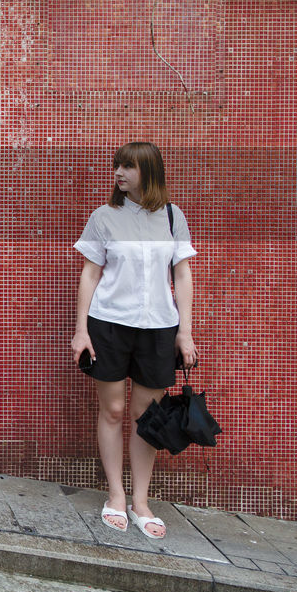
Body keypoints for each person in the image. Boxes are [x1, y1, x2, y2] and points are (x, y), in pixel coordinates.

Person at [71, 141, 197, 540]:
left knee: (147, 419)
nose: (119, 174)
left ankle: (141, 502)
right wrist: (80, 331)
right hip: (109, 325)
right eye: (117, 167)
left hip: (159, 327)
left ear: (149, 170)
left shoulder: (174, 218)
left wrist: (185, 331)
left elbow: (182, 276)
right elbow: (90, 274)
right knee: (111, 410)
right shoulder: (105, 217)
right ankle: (115, 495)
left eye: (128, 167)